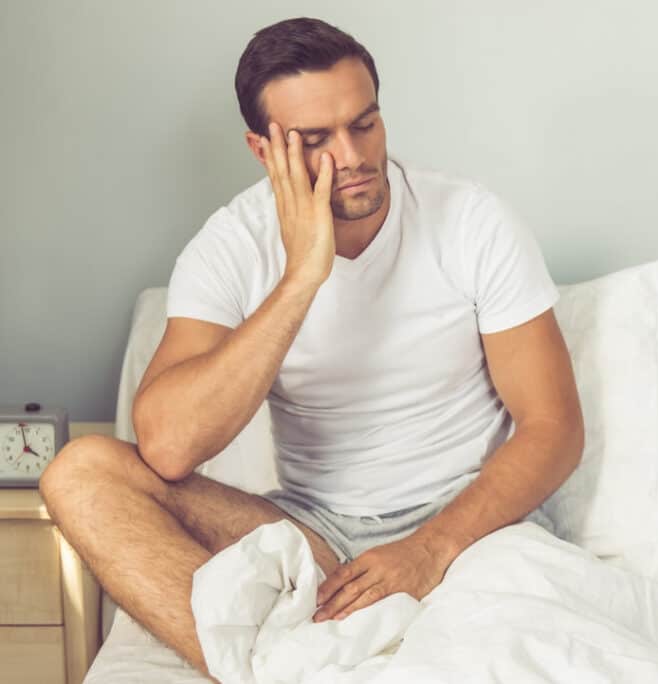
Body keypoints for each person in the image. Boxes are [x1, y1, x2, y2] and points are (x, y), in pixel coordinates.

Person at [40, 16, 583, 680]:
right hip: (316, 532)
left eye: (364, 124)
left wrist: (427, 550)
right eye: (315, 140)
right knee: (80, 473)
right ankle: (264, 670)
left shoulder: (472, 222)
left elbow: (554, 428)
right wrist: (302, 277)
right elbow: (169, 446)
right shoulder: (232, 244)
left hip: (471, 525)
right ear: (264, 150)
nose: (352, 157)